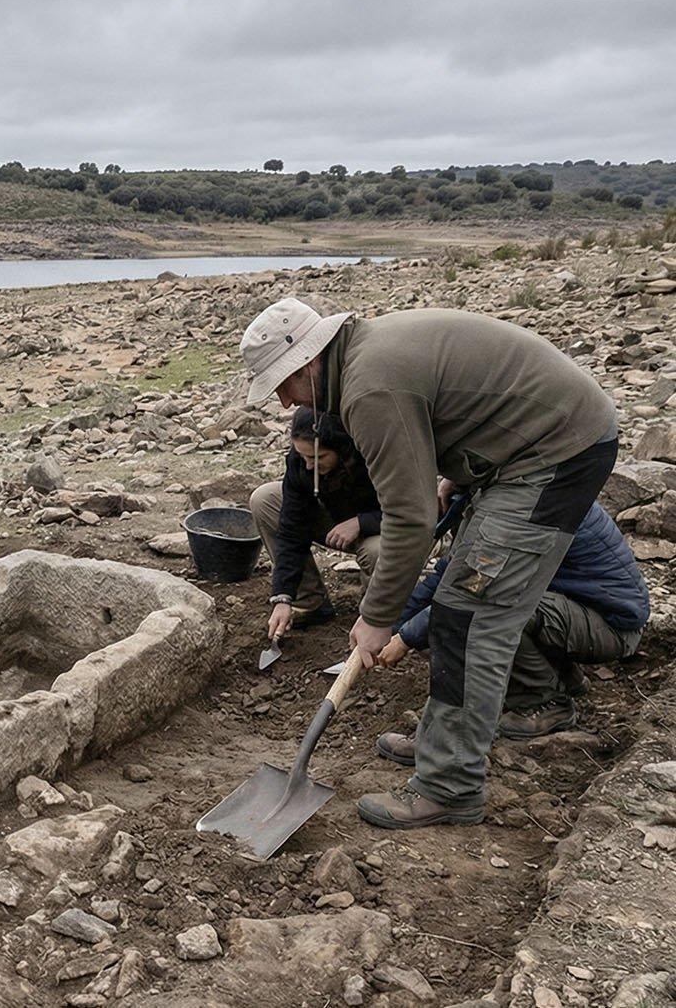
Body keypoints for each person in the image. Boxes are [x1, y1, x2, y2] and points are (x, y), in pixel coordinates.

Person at [241, 298, 617, 829]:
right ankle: (448, 746)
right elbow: (455, 411)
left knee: (470, 617)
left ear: (306, 362)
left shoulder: (369, 386)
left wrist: (375, 619)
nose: (283, 404)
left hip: (555, 453)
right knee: (461, 603)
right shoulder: (367, 355)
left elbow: (409, 520)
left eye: (282, 385)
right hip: (528, 448)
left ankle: (450, 786)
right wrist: (463, 466)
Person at [372, 499, 647, 763]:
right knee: (503, 605)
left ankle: (545, 703)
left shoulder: (527, 508)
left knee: (500, 610)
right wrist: (389, 627)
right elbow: (447, 574)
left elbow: (474, 594)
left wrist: (407, 638)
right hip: (580, 611)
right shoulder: (493, 495)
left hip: (610, 626)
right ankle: (564, 678)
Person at [252, 406, 383, 641]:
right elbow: (292, 527)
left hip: (380, 528)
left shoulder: (374, 453)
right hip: (334, 520)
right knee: (265, 499)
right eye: (303, 456)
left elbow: (410, 511)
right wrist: (282, 596)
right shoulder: (301, 462)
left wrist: (362, 522)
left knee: (377, 551)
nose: (309, 465)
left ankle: (374, 618)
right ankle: (310, 602)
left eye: (318, 457)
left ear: (341, 448)